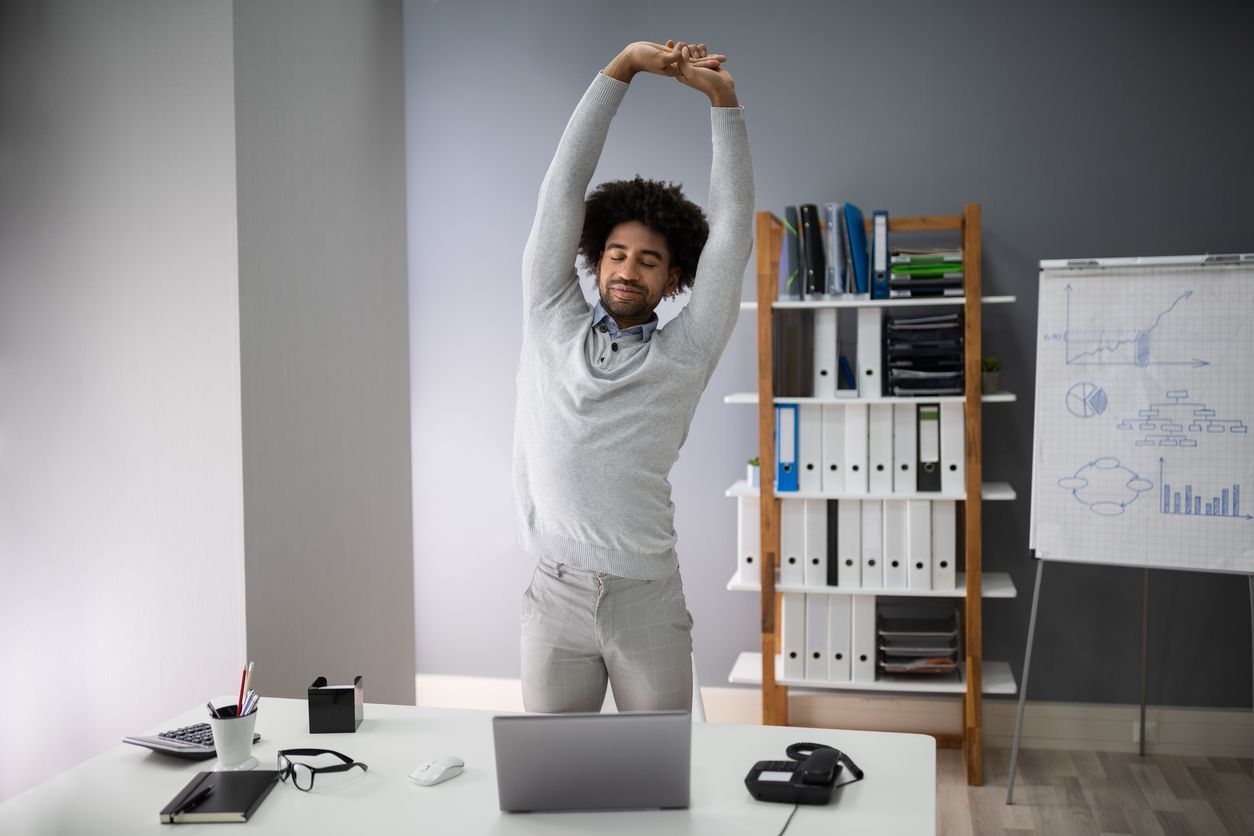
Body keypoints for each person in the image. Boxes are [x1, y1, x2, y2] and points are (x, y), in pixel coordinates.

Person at [514, 40, 754, 713]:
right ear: (594, 260)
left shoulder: (687, 350)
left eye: (649, 260)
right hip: (553, 593)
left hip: (647, 598)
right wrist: (621, 68)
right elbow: (562, 185)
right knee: (554, 780)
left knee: (662, 782)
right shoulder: (550, 315)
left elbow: (732, 231)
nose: (628, 268)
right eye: (616, 253)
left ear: (673, 278)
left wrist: (724, 104)